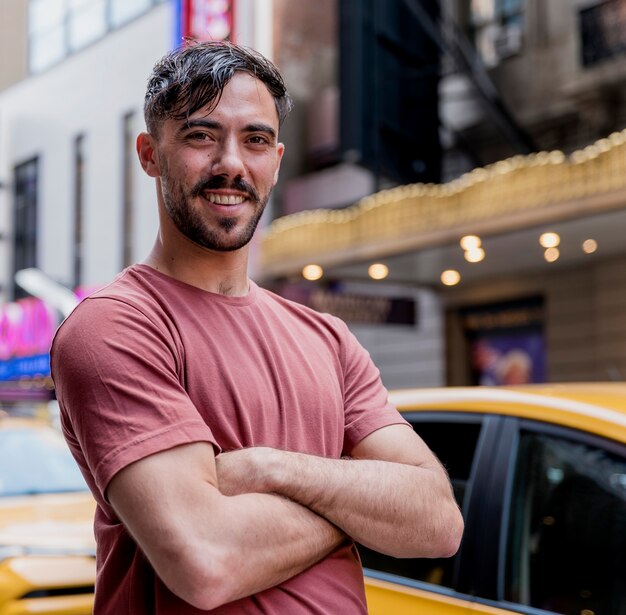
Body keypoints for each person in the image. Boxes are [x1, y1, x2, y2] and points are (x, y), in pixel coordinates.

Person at [51, 41, 463, 614]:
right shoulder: (115, 327)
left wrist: (272, 469)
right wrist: (358, 509)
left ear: (276, 157)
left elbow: (438, 521)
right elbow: (208, 561)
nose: (232, 164)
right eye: (200, 136)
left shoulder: (327, 337)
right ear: (149, 154)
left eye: (256, 140)